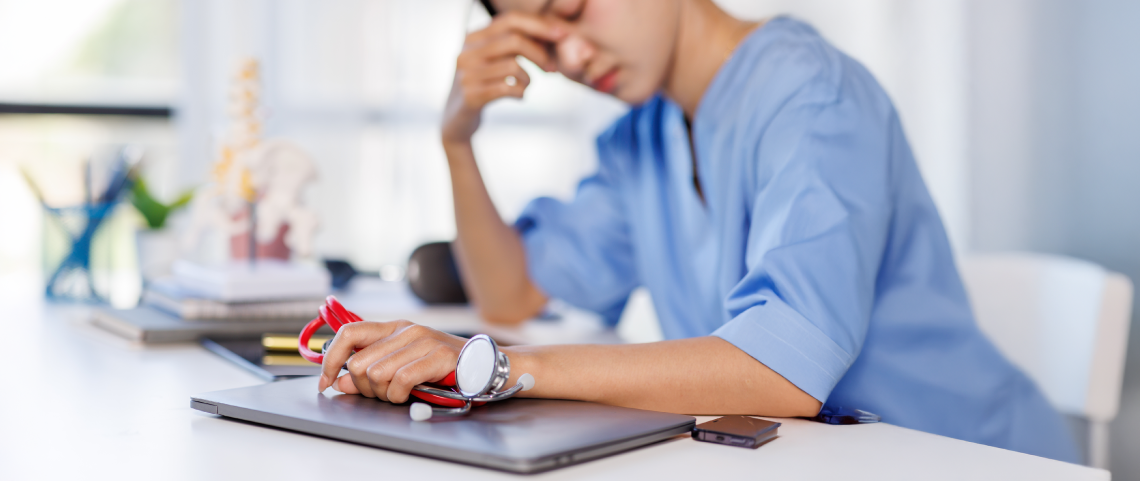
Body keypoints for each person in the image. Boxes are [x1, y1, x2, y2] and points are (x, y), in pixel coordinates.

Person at [318, 0, 1078, 462]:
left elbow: (784, 374)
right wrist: (458, 138)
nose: (571, 57)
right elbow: (510, 289)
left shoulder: (812, 95)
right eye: (542, 45)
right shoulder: (641, 139)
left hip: (973, 457)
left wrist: (496, 366)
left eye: (576, 10)